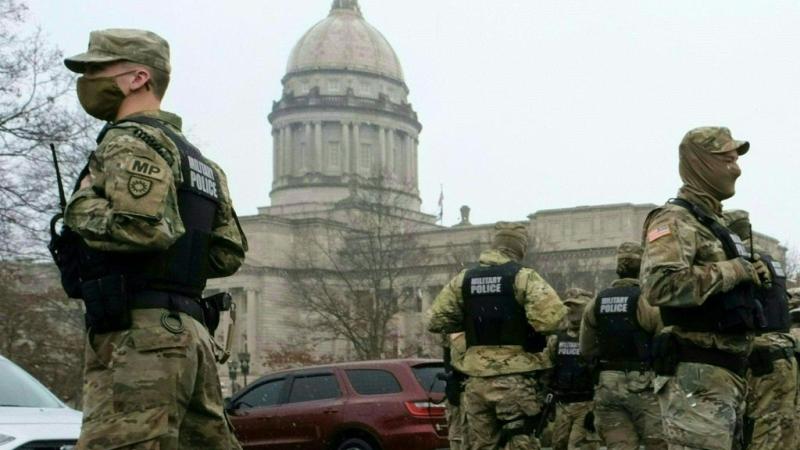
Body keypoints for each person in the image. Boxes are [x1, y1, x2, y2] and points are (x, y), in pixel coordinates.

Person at [61, 29, 247, 449]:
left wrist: (81, 205)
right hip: (191, 334)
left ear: (137, 77)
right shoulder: (200, 162)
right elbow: (226, 252)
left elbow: (142, 228)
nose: (87, 79)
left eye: (97, 68)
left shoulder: (129, 141)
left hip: (139, 336)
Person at [640, 126, 771, 450]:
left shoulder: (714, 225)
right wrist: (732, 270)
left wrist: (751, 275)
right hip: (695, 377)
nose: (736, 168)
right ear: (700, 164)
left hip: (727, 374)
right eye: (726, 159)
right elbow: (659, 285)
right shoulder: (674, 220)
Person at [427, 222, 566, 450]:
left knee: (482, 445)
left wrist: (473, 318)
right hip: (515, 379)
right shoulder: (523, 277)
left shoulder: (463, 280)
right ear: (519, 249)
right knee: (521, 441)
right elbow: (552, 319)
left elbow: (436, 321)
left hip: (475, 382)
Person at [580, 242, 666, 450]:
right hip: (643, 385)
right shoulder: (645, 300)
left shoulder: (596, 302)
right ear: (642, 267)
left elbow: (586, 349)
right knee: (659, 444)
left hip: (607, 386)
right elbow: (665, 342)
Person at [725, 211, 798, 450]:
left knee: (760, 431)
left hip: (761, 355)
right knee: (783, 430)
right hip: (783, 353)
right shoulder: (768, 259)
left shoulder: (744, 259)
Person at [546, 288, 601, 450]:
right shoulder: (556, 338)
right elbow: (549, 369)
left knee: (580, 446)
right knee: (558, 445)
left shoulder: (596, 336)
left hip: (587, 403)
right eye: (568, 305)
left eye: (576, 305)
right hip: (562, 404)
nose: (571, 310)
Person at [443, 332, 470, 450]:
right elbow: (447, 358)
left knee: (466, 432)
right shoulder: (451, 332)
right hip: (458, 388)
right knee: (458, 432)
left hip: (467, 387)